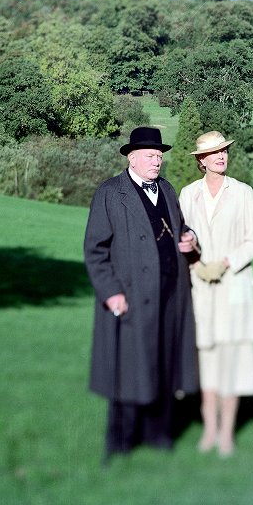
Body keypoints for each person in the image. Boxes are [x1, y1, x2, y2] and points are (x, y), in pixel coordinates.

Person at [84, 126, 200, 458]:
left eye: (159, 155)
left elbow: (179, 229)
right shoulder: (110, 193)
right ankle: (120, 444)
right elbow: (95, 250)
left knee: (163, 367)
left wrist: (190, 239)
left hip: (169, 298)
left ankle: (159, 436)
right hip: (130, 300)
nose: (157, 161)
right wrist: (111, 292)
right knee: (127, 371)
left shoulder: (167, 190)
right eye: (150, 155)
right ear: (131, 158)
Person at [179, 130, 253, 457]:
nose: (221, 156)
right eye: (214, 153)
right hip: (201, 287)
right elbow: (185, 237)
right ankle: (209, 430)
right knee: (207, 361)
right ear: (201, 160)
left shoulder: (242, 193)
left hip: (233, 286)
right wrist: (194, 257)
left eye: (224, 151)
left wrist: (226, 262)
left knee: (233, 362)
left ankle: (227, 433)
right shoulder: (188, 195)